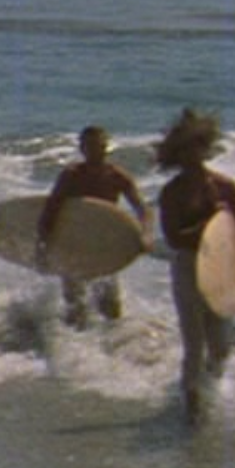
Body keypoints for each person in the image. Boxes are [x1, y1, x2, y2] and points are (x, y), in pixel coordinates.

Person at [156, 109, 235, 426]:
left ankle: (205, 389)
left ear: (205, 148)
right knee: (194, 343)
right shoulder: (172, 192)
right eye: (186, 149)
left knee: (220, 346)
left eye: (198, 147)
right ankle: (191, 405)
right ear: (177, 154)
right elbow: (174, 238)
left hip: (223, 265)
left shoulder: (224, 186)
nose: (193, 154)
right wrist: (209, 222)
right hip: (188, 265)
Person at [35, 125, 151, 329]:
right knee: (75, 305)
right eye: (90, 146)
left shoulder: (117, 176)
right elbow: (51, 210)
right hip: (73, 245)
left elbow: (142, 209)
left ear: (106, 147)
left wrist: (145, 234)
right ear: (82, 148)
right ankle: (72, 344)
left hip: (104, 246)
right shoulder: (71, 175)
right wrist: (42, 245)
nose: (95, 150)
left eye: (99, 146)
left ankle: (112, 344)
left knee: (110, 307)